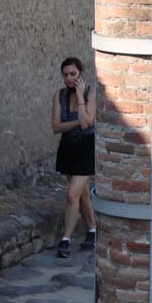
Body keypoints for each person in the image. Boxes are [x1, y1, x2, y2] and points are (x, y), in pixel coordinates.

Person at [52, 57, 97, 258]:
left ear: (80, 74)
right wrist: (77, 122)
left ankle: (66, 240)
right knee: (82, 194)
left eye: (73, 74)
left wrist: (80, 97)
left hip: (86, 148)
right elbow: (56, 126)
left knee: (72, 195)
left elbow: (87, 122)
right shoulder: (59, 95)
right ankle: (93, 231)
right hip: (68, 147)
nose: (69, 78)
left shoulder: (91, 93)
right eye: (66, 75)